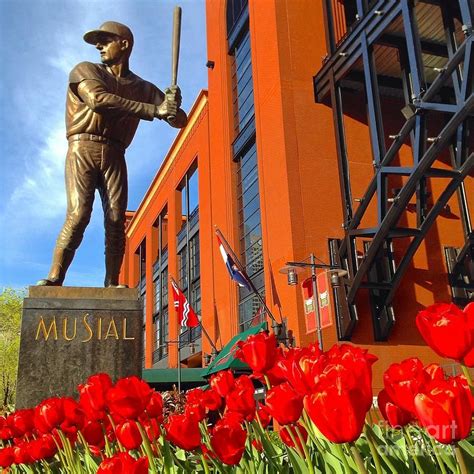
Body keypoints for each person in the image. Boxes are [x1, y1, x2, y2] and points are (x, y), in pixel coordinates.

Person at [37, 21, 187, 287]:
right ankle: (55, 278)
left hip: (116, 153)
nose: (99, 46)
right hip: (83, 147)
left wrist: (173, 104)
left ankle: (111, 283)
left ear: (124, 44)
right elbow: (98, 100)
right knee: (79, 213)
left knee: (117, 221)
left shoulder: (142, 87)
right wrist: (156, 110)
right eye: (99, 42)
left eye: (106, 40)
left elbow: (179, 121)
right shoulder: (86, 70)